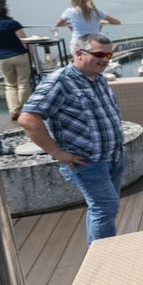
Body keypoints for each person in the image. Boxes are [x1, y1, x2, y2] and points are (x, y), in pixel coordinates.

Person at [18, 33, 123, 245]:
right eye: (99, 54)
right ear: (78, 53)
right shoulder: (59, 81)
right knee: (105, 207)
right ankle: (103, 261)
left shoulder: (99, 79)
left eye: (108, 54)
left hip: (113, 157)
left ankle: (97, 252)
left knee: (102, 208)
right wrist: (58, 153)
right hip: (87, 161)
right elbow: (28, 119)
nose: (105, 59)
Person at [0, 0, 31, 119]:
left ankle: (14, 110)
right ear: (3, 8)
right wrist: (32, 54)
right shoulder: (12, 23)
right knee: (23, 83)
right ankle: (25, 110)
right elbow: (24, 40)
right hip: (20, 55)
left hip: (2, 57)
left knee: (10, 85)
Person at [54, 0, 120, 54]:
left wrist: (70, 23)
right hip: (94, 45)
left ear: (74, 0)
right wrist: (102, 22)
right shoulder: (96, 11)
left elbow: (57, 24)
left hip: (77, 44)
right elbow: (117, 22)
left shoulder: (70, 11)